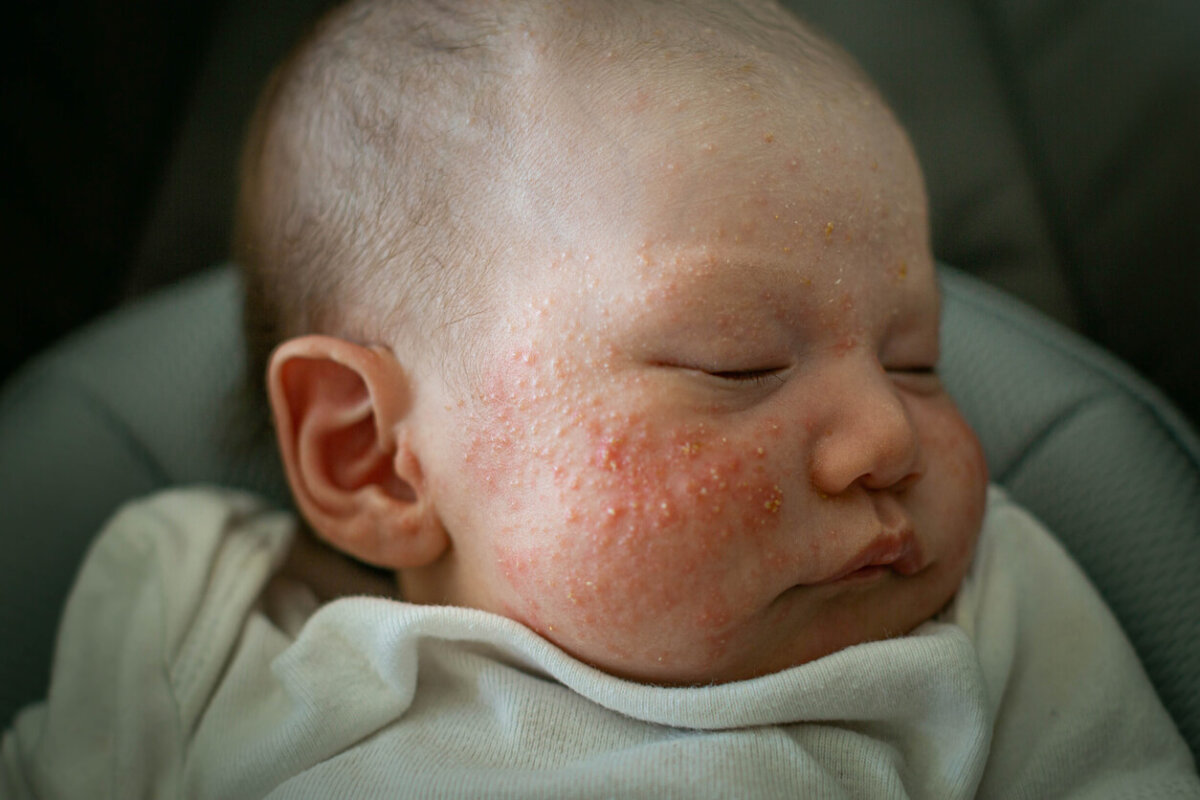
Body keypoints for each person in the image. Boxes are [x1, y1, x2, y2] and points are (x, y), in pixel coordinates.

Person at [3, 0, 1198, 796]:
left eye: (918, 356)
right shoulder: (198, 619)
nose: (887, 434)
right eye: (737, 363)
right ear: (374, 453)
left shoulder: (981, 618)